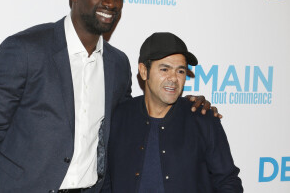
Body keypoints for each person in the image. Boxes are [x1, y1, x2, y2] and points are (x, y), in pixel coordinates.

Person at [0, 0, 215, 193]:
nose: (110, 2)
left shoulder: (117, 64)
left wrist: (186, 106)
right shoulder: (26, 49)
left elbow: (130, 122)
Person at [102, 32, 243, 193]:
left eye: (180, 71)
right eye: (164, 69)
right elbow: (106, 180)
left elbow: (228, 182)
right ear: (143, 71)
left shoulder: (203, 120)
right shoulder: (119, 117)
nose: (174, 78)